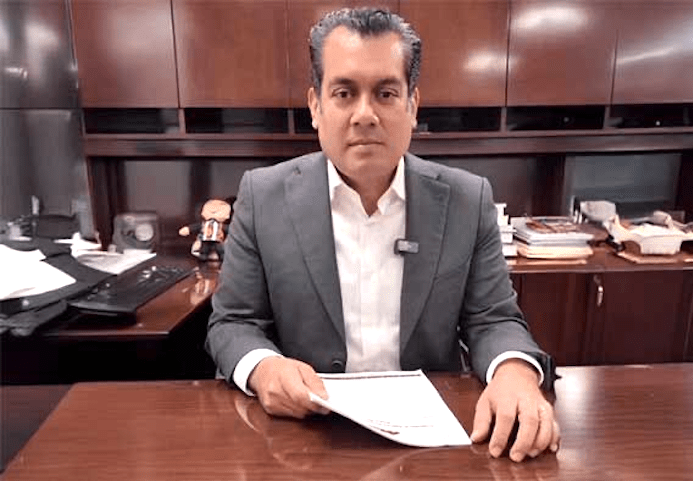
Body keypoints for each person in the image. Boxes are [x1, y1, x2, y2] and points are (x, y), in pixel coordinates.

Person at [207, 8, 560, 463]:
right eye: (344, 93)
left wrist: (515, 373)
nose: (365, 115)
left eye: (386, 93)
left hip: (432, 446)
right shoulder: (263, 196)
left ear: (412, 106)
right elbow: (233, 323)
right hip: (304, 439)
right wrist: (263, 368)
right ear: (315, 106)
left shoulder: (466, 200)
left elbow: (493, 320)